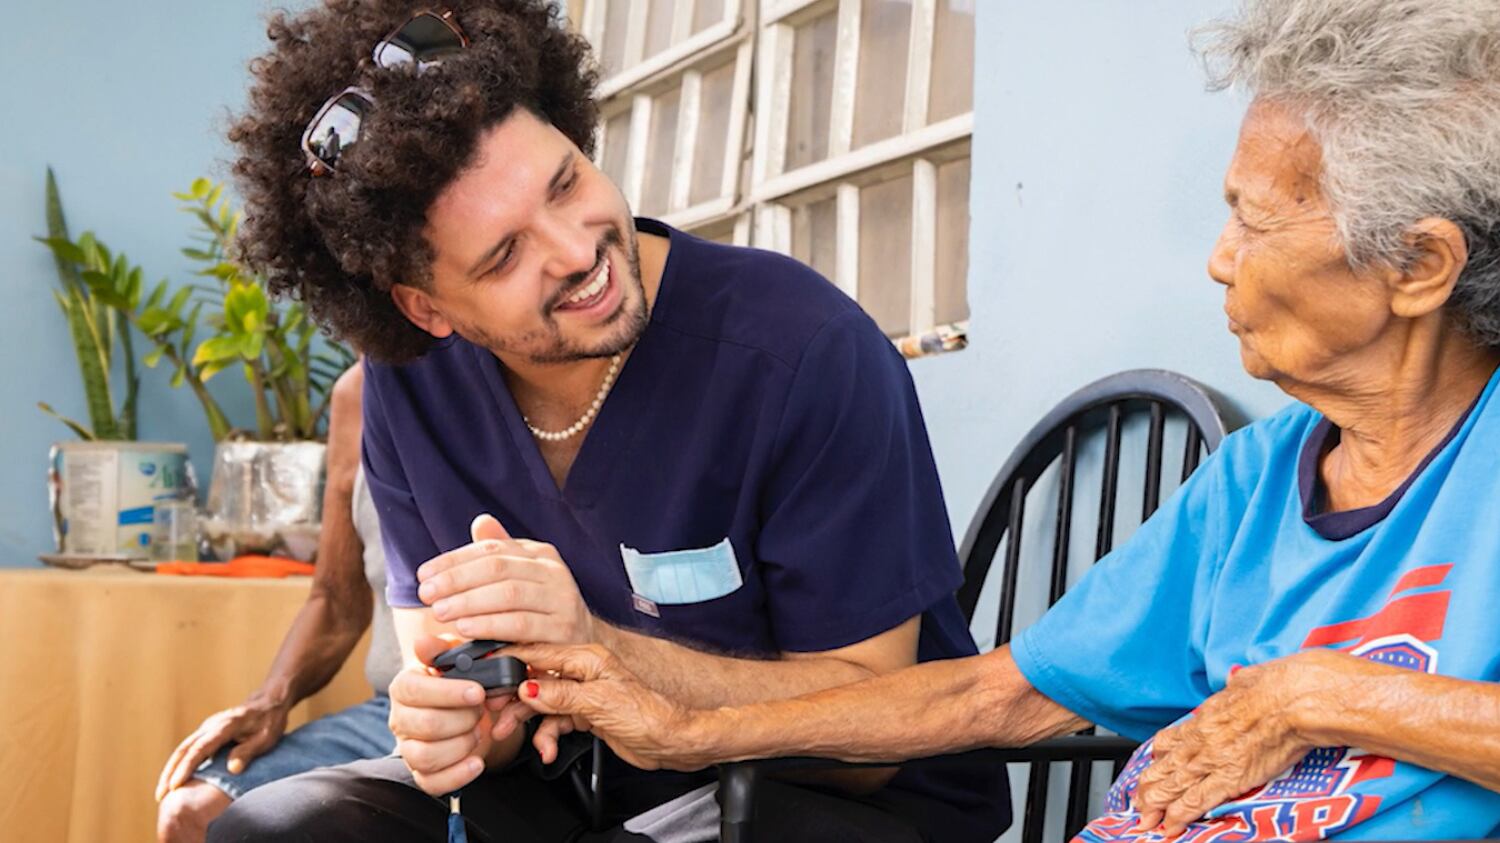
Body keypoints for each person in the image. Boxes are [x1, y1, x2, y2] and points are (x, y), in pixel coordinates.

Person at [504, 1, 1500, 840]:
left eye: (1255, 218)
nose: (1220, 260)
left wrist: (1314, 697)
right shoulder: (1254, 482)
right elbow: (992, 695)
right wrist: (683, 732)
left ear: (1418, 267)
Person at [207, 1, 1006, 841]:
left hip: (827, 800)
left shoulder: (803, 350)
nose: (577, 251)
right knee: (282, 827)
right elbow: (445, 660)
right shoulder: (410, 388)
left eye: (566, 182)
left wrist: (599, 650)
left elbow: (866, 734)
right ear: (426, 307)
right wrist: (464, 719)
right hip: (592, 788)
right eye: (505, 254)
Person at [155, 362, 403, 842]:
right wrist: (271, 698)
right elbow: (336, 600)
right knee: (190, 812)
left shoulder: (523, 367)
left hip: (511, 709)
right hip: (391, 711)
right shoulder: (358, 393)